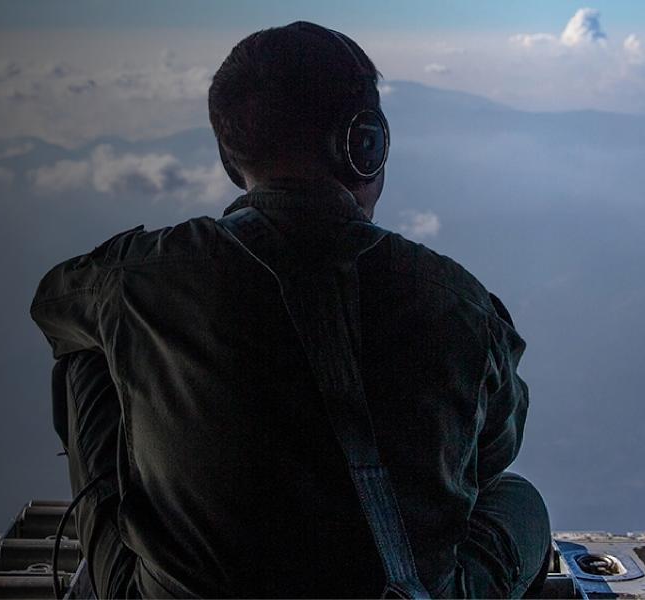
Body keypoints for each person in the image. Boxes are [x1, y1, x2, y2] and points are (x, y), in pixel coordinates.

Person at [31, 21, 552, 599]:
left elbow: (52, 302)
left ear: (232, 161)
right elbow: (493, 455)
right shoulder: (460, 303)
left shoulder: (138, 278)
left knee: (89, 349)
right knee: (519, 501)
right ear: (367, 144)